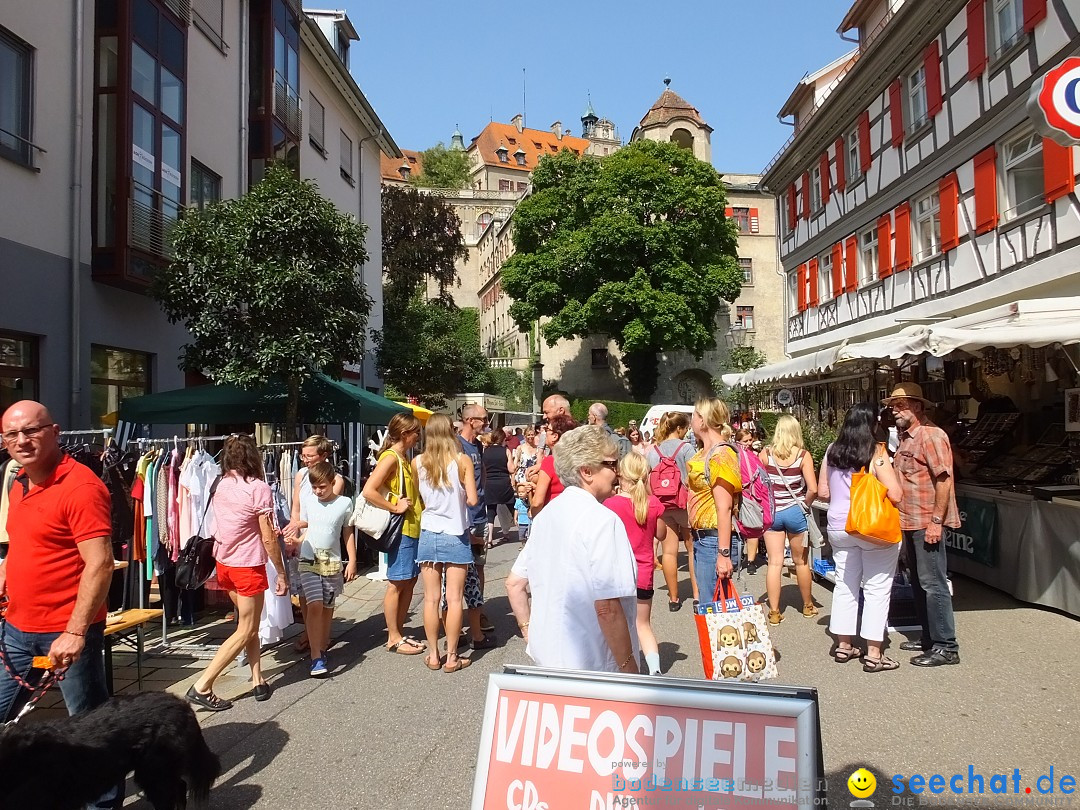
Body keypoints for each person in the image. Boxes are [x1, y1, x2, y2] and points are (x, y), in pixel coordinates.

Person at [0, 402, 120, 808]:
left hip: (64, 634)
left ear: (54, 431)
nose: (22, 441)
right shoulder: (18, 481)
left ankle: (101, 804)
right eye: (12, 435)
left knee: (88, 729)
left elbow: (101, 563)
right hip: (16, 630)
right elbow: (25, 542)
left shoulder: (81, 486)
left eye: (31, 431)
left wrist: (74, 632)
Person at [506, 426, 639, 673]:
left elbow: (514, 584)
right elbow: (608, 607)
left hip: (547, 660)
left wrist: (528, 631)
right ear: (587, 471)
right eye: (611, 464)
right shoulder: (602, 520)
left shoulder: (547, 516)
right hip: (594, 667)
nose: (618, 471)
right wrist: (629, 669)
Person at [188, 435, 288, 711]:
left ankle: (257, 678)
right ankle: (203, 685)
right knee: (247, 628)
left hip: (225, 564)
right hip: (247, 565)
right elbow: (268, 538)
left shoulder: (220, 484)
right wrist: (281, 573)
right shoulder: (258, 489)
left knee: (249, 624)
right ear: (252, 457)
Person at [818, 403, 904, 672]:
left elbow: (823, 491)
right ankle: (874, 653)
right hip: (870, 529)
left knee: (845, 584)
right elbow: (896, 494)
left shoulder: (832, 451)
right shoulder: (877, 453)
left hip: (838, 526)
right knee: (877, 588)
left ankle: (844, 645)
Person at [886, 383, 961, 667]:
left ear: (917, 406)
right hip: (908, 520)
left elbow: (944, 480)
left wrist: (936, 522)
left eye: (900, 405)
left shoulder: (931, 436)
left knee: (933, 583)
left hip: (926, 520)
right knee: (917, 581)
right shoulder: (906, 438)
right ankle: (929, 636)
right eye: (893, 406)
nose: (894, 411)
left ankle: (946, 646)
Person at [414, 414, 479, 674]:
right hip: (455, 533)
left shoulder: (417, 461)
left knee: (431, 599)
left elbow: (420, 497)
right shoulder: (462, 461)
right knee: (453, 599)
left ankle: (433, 654)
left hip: (429, 532)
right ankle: (452, 657)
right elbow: (473, 500)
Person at [362, 413, 425, 655]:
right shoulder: (391, 458)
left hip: (412, 527)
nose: (418, 436)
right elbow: (369, 490)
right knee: (398, 582)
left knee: (408, 580)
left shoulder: (403, 457)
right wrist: (395, 506)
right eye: (415, 431)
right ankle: (393, 636)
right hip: (402, 529)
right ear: (405, 433)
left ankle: (398, 631)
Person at [283, 435, 345, 654]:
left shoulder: (336, 480)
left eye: (309, 456)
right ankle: (310, 634)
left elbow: (328, 514)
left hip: (323, 544)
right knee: (304, 592)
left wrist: (302, 526)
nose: (305, 459)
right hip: (302, 539)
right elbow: (296, 507)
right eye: (303, 455)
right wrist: (294, 532)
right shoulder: (301, 475)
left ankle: (321, 638)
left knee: (325, 595)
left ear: (324, 456)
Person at [605, 453, 665, 675]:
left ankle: (621, 667)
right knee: (643, 624)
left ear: (621, 474)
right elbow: (661, 533)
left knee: (616, 624)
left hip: (619, 574)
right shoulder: (652, 503)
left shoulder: (611, 505)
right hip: (644, 573)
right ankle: (655, 670)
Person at [295, 461, 356, 677]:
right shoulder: (309, 502)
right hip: (309, 558)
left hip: (332, 560)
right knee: (315, 605)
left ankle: (321, 646)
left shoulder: (345, 503)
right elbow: (307, 526)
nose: (318, 491)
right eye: (314, 487)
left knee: (328, 607)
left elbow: (347, 532)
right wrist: (295, 536)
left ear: (333, 483)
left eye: (322, 487)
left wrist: (353, 560)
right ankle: (315, 656)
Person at [759, 415, 819, 625]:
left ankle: (774, 612)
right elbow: (813, 488)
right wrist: (804, 503)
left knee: (774, 563)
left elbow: (756, 484)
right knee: (801, 562)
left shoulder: (765, 454)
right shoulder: (804, 455)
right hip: (795, 511)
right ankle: (808, 606)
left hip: (772, 512)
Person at [686, 398, 742, 604]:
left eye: (694, 415)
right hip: (703, 539)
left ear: (703, 421)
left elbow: (724, 507)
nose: (691, 420)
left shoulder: (721, 455)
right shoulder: (705, 452)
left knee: (715, 609)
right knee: (710, 608)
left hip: (714, 541)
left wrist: (723, 554)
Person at [646, 411, 697, 608]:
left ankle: (673, 598)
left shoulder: (654, 451)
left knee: (668, 552)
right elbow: (693, 476)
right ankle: (696, 595)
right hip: (684, 503)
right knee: (692, 550)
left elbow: (649, 480)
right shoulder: (686, 448)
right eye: (685, 428)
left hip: (663, 505)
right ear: (679, 428)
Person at [458, 404, 496, 650]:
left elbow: (480, 473)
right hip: (463, 516)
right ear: (471, 421)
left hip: (479, 513)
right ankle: (457, 618)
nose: (486, 423)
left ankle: (477, 611)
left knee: (479, 567)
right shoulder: (457, 446)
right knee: (460, 570)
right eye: (483, 419)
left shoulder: (479, 446)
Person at [529, 414, 578, 516]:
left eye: (547, 429)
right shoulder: (578, 459)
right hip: (574, 513)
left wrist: (533, 515)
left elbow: (538, 502)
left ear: (555, 436)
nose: (545, 432)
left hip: (552, 514)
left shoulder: (550, 461)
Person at [482, 428, 516, 548]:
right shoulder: (505, 451)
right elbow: (511, 469)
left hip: (489, 483)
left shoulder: (485, 451)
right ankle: (523, 532)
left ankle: (489, 539)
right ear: (502, 439)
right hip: (503, 483)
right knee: (513, 507)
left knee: (491, 510)